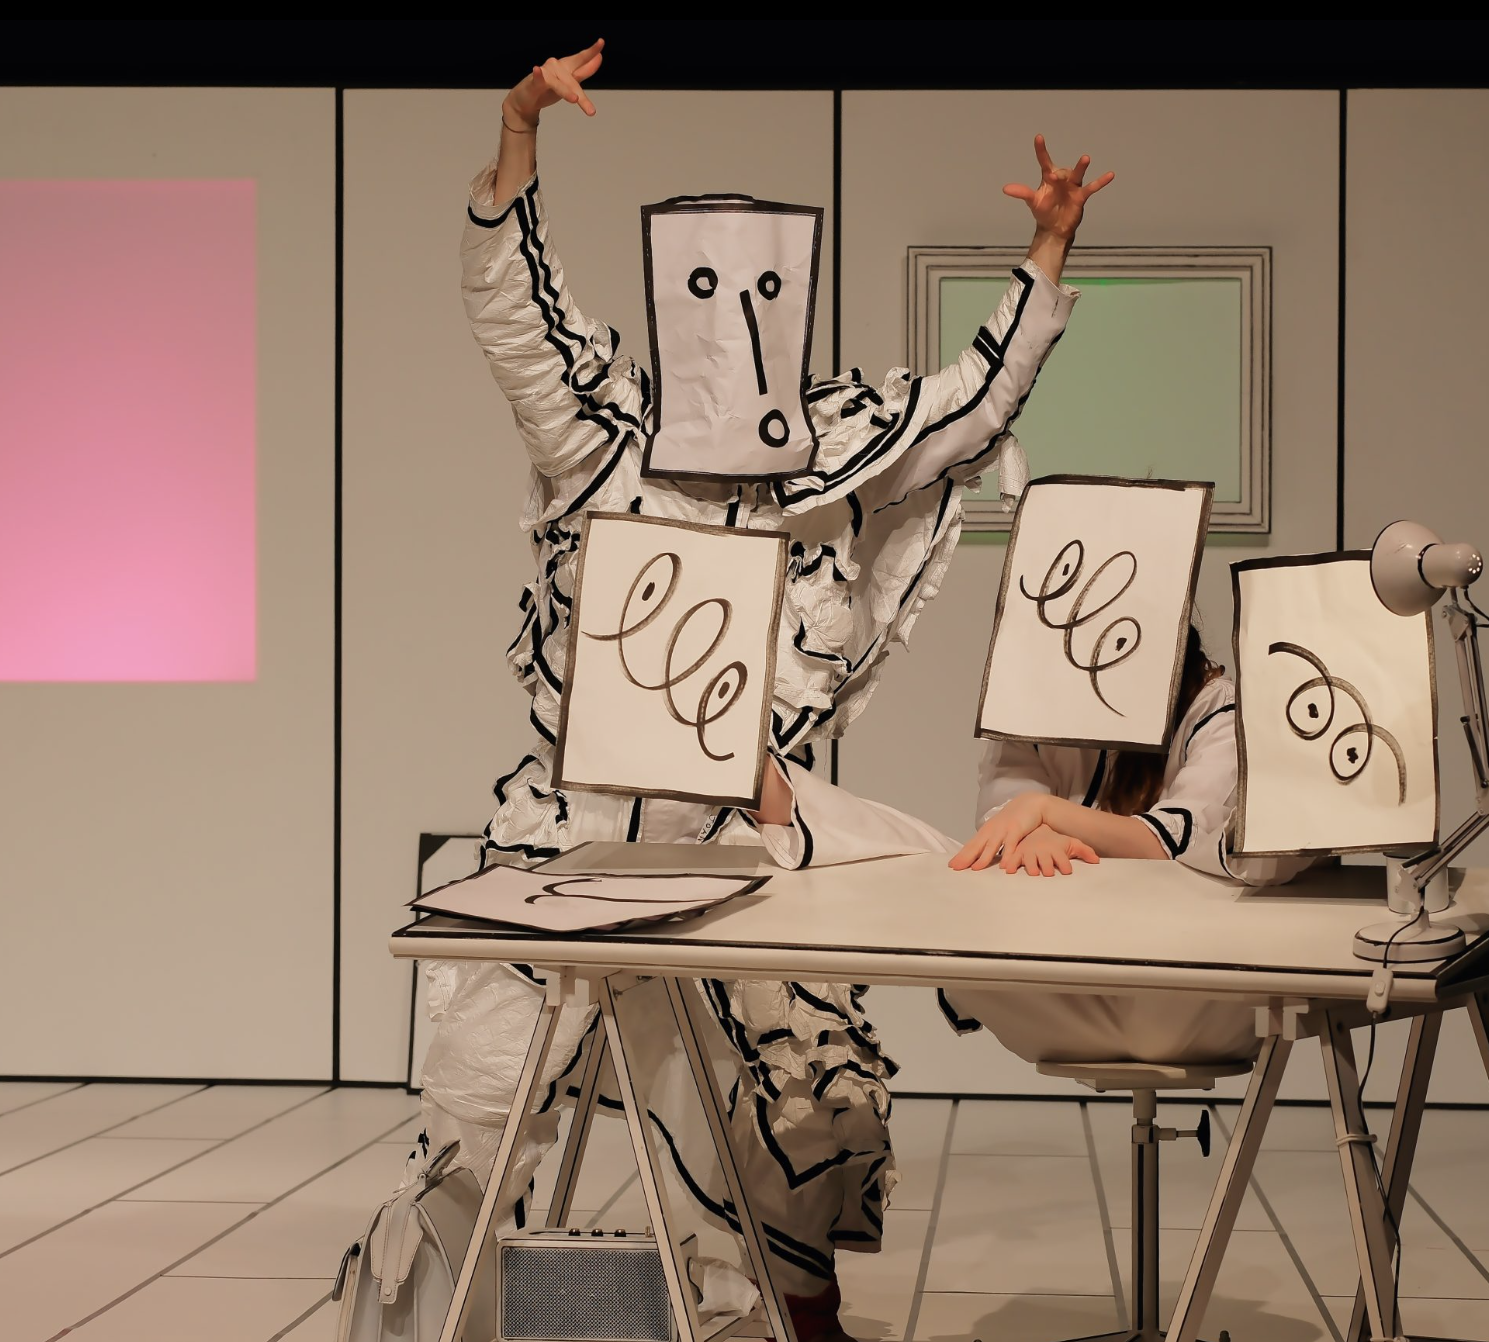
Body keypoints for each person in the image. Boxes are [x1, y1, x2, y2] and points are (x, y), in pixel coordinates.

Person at [418, 38, 1113, 1341]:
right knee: (483, 1090)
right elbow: (515, 309)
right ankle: (447, 1308)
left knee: (804, 1095)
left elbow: (965, 407)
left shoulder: (824, 464)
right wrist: (518, 130)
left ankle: (790, 1311)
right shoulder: (600, 442)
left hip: (753, 845)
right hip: (571, 842)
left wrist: (1047, 249)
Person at [744, 617, 1315, 1069]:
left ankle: (782, 797)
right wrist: (1035, 829)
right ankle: (777, 794)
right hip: (1063, 982)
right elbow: (1002, 827)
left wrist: (1047, 814)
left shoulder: (1219, 707)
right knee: (934, 867)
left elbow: (1173, 839)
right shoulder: (1034, 708)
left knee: (967, 875)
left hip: (1180, 998)